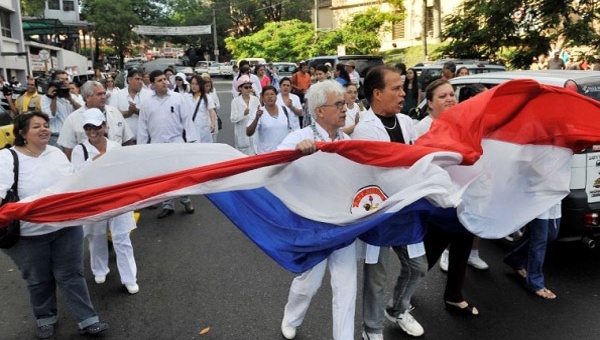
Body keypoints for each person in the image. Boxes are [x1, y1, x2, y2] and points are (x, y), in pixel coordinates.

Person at [0, 112, 108, 339]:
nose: (44, 129)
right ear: (22, 132)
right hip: (28, 235)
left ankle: (88, 320)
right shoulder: (7, 158)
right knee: (39, 280)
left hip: (65, 228)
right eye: (36, 126)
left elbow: (72, 182)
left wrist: (93, 167)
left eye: (46, 125)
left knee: (72, 274)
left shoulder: (57, 154)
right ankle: (45, 318)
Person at [278, 80, 355, 340]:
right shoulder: (299, 138)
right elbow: (271, 167)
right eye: (339, 104)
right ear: (319, 111)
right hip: (313, 224)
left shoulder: (347, 141)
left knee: (346, 287)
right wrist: (294, 155)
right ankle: (292, 317)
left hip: (344, 224)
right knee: (309, 283)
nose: (345, 109)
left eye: (345, 103)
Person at [352, 66, 425, 339]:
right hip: (378, 210)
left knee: (417, 266)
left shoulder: (406, 122)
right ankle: (371, 329)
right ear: (377, 93)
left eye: (402, 87)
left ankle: (397, 309)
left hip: (406, 207)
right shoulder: (364, 130)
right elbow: (387, 169)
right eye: (396, 88)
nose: (402, 92)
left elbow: (420, 159)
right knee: (377, 275)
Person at [418, 79, 480, 316]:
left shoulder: (461, 125)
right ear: (430, 103)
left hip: (461, 200)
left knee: (462, 248)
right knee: (427, 256)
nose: (450, 99)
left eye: (452, 95)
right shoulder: (422, 128)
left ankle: (454, 296)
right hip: (435, 204)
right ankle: (401, 297)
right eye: (442, 96)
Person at [71, 108, 139, 295]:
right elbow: (76, 175)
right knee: (96, 236)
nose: (93, 131)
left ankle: (129, 277)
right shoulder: (80, 149)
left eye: (97, 127)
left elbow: (127, 172)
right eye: (88, 127)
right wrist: (96, 160)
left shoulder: (116, 147)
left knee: (122, 237)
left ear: (105, 126)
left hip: (117, 197)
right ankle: (99, 269)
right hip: (94, 198)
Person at [137, 69, 198, 218]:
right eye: (160, 80)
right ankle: (167, 204)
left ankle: (186, 199)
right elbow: (142, 127)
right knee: (164, 176)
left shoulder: (177, 98)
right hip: (157, 144)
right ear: (152, 84)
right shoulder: (146, 103)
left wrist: (191, 140)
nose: (165, 82)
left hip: (176, 141)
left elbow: (187, 120)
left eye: (165, 79)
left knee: (180, 174)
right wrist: (142, 148)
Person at [57, 80, 134, 160]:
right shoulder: (72, 119)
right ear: (87, 97)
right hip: (89, 167)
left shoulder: (115, 112)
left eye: (104, 93)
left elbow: (127, 141)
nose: (104, 97)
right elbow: (68, 151)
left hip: (116, 164)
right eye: (99, 94)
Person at [504, 204, 561, 299]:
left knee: (551, 235)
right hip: (539, 199)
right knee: (540, 240)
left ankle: (515, 258)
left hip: (555, 198)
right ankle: (535, 282)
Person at [41, 70, 82, 147]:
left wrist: (71, 100)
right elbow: (50, 117)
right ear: (54, 82)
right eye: (61, 80)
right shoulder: (46, 98)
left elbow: (82, 112)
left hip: (72, 135)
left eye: (66, 79)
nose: (65, 82)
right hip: (56, 137)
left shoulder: (73, 96)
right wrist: (53, 98)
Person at [246, 85, 290, 154]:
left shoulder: (284, 110)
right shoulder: (258, 112)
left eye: (272, 94)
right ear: (263, 98)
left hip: (283, 153)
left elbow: (290, 130)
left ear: (276, 97)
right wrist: (256, 118)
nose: (270, 96)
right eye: (266, 95)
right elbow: (248, 132)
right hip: (266, 155)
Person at [111, 68, 151, 143]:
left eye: (141, 80)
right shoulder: (117, 95)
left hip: (145, 141)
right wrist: (128, 113)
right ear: (129, 80)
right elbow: (112, 115)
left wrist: (136, 111)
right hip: (124, 142)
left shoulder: (149, 95)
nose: (140, 82)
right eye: (137, 79)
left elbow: (152, 115)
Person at [231, 75, 260, 155]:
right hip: (242, 135)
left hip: (254, 134)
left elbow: (260, 115)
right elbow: (233, 119)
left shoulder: (255, 100)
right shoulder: (235, 101)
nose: (248, 89)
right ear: (240, 88)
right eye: (246, 87)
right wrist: (243, 114)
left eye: (250, 87)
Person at [187, 74, 216, 143]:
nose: (194, 86)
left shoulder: (207, 97)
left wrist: (212, 123)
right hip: (191, 128)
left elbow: (211, 110)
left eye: (196, 84)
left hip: (203, 128)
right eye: (192, 84)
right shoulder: (186, 97)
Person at [201, 74, 220, 142]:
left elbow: (218, 104)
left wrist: (214, 105)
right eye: (206, 86)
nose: (208, 88)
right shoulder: (199, 95)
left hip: (213, 118)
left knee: (214, 140)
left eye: (209, 86)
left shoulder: (213, 92)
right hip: (204, 120)